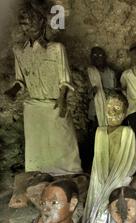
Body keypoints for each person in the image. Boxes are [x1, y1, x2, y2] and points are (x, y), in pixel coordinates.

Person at [4, 3, 82, 175]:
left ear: (41, 22)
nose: (28, 25)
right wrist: (13, 90)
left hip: (55, 103)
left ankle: (70, 174)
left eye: (32, 20)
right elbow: (20, 80)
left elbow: (65, 79)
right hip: (34, 107)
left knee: (63, 142)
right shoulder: (19, 51)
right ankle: (38, 175)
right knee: (37, 147)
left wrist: (62, 100)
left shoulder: (56, 49)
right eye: (24, 22)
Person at [82, 90, 136, 223]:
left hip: (118, 179)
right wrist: (100, 181)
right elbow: (97, 163)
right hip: (100, 180)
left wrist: (116, 181)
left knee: (111, 208)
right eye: (109, 107)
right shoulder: (99, 132)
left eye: (117, 108)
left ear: (125, 112)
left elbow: (131, 162)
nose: (112, 112)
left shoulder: (127, 133)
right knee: (95, 211)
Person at [87, 46, 117, 128]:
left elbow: (115, 91)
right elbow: (86, 95)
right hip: (96, 109)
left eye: (100, 55)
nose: (97, 58)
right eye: (95, 55)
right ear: (91, 58)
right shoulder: (90, 72)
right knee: (97, 135)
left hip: (110, 108)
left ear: (104, 57)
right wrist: (92, 92)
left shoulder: (111, 73)